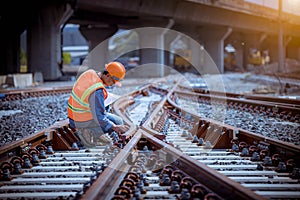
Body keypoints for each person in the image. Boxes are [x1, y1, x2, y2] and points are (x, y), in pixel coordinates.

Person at [67, 61, 129, 147]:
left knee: (107, 110)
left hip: (74, 116)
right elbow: (99, 117)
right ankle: (89, 131)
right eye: (113, 81)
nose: (112, 84)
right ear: (107, 75)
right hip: (82, 121)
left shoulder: (89, 73)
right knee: (118, 121)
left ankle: (91, 131)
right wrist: (115, 127)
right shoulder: (97, 90)